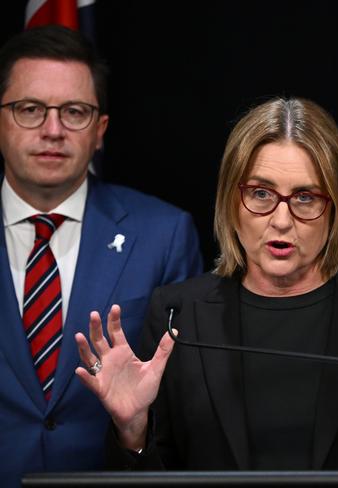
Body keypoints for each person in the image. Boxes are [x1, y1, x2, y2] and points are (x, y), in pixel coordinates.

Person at [74, 96, 338, 471]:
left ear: (337, 205)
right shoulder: (179, 314)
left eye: (305, 197)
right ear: (231, 200)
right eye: (260, 193)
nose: (281, 220)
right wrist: (132, 429)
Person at [0, 25, 203, 487]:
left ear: (100, 131)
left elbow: (186, 407)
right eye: (30, 110)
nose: (53, 130)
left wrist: (133, 433)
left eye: (74, 112)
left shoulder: (164, 235)